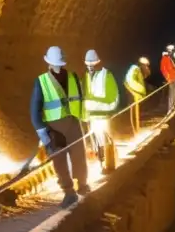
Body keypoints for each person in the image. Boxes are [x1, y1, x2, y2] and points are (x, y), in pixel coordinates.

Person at [31, 46, 88, 207]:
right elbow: (35, 108)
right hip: (55, 126)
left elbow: (80, 98)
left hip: (72, 121)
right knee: (60, 159)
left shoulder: (72, 77)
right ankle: (69, 191)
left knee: (78, 155)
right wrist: (43, 132)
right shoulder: (42, 81)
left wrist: (84, 118)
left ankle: (82, 185)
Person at [82, 49, 120, 173]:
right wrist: (85, 113)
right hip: (93, 117)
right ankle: (102, 163)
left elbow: (113, 97)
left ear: (97, 63)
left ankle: (111, 164)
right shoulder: (86, 77)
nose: (90, 67)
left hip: (103, 116)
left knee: (106, 139)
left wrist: (93, 103)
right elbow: (85, 96)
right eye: (88, 64)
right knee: (98, 141)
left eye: (92, 64)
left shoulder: (106, 76)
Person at [124, 57, 151, 136]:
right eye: (146, 65)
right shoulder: (135, 69)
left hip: (134, 93)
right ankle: (135, 132)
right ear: (142, 64)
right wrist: (140, 90)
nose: (147, 67)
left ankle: (136, 130)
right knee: (134, 113)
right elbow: (130, 80)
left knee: (136, 113)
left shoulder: (138, 70)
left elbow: (143, 77)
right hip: (133, 94)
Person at [160, 46, 175, 112]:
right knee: (172, 93)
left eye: (172, 50)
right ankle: (170, 109)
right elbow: (163, 69)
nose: (171, 51)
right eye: (171, 50)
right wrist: (167, 77)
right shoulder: (165, 57)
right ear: (168, 50)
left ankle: (174, 105)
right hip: (171, 78)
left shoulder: (172, 57)